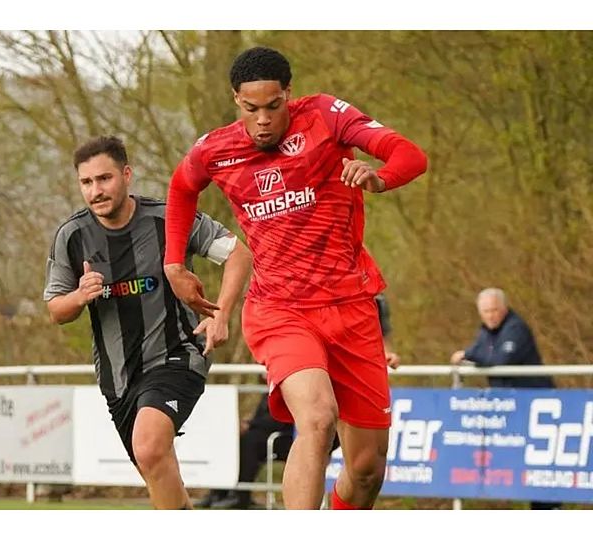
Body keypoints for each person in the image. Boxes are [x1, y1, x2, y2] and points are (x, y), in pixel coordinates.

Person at [163, 47, 428, 510]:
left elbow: (410, 154)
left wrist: (380, 177)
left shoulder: (327, 116)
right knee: (317, 418)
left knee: (366, 469)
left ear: (289, 93)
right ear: (235, 101)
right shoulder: (216, 149)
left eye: (273, 106)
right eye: (250, 109)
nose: (262, 119)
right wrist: (173, 263)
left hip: (350, 307)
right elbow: (181, 188)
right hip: (280, 310)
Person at [44, 135, 253, 509]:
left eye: (104, 178)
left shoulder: (168, 218)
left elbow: (238, 253)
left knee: (150, 446)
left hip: (177, 354)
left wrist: (222, 312)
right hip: (118, 378)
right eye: (86, 182)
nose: (96, 190)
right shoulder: (71, 236)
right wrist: (79, 295)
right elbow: (57, 310)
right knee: (156, 469)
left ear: (127, 175)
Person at [197, 294, 400, 509]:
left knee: (366, 472)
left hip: (352, 342)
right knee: (316, 423)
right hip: (287, 312)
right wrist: (222, 312)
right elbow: (237, 258)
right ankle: (233, 496)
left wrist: (386, 353)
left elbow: (383, 334)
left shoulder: (371, 295)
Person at [450, 287, 560, 510]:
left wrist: (469, 354)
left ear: (504, 308)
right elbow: (482, 352)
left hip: (536, 408)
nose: (491, 315)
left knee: (539, 466)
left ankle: (550, 510)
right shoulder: (486, 331)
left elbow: (500, 359)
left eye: (494, 310)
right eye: (486, 311)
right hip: (511, 410)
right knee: (518, 467)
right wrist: (472, 354)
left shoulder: (515, 328)